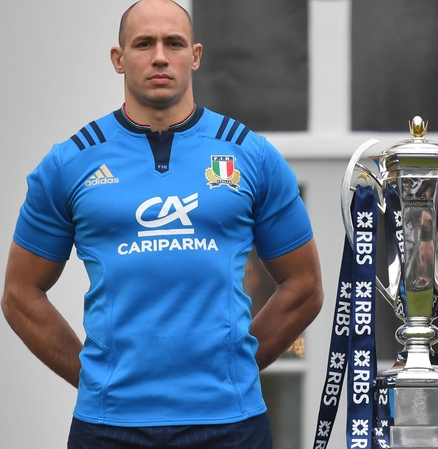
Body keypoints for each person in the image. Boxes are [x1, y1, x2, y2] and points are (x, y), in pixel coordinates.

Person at [0, 0, 324, 447]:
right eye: (143, 43)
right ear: (118, 58)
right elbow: (19, 294)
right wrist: (97, 379)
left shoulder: (251, 156)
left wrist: (238, 368)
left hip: (230, 424)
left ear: (194, 56)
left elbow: (304, 286)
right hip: (108, 427)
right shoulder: (70, 163)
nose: (159, 56)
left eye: (173, 43)